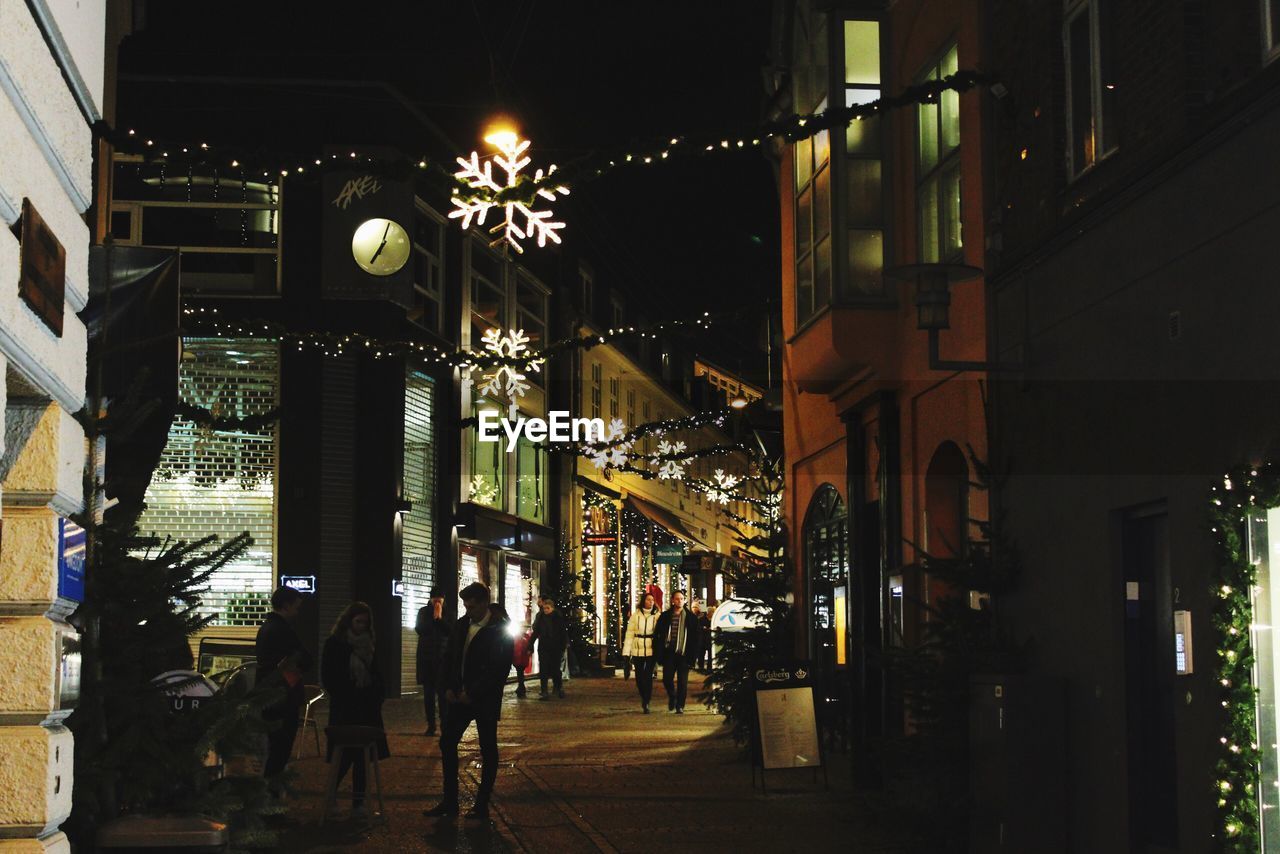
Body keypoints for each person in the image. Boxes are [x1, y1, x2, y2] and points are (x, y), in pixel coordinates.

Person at [424, 582, 514, 822]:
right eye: (465, 606)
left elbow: (498, 669)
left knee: (488, 749)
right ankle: (450, 800)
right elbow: (449, 658)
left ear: (485, 603)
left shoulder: (499, 629)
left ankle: (481, 803)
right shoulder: (463, 624)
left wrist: (473, 692)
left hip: (482, 699)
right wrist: (447, 688)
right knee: (447, 743)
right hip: (459, 696)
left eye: (472, 606)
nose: (468, 610)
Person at [321, 602, 389, 819]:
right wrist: (347, 691)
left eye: (365, 623)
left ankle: (358, 803)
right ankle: (331, 797)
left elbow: (377, 672)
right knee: (346, 755)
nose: (361, 626)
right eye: (358, 621)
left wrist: (377, 694)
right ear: (348, 621)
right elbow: (329, 677)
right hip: (346, 708)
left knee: (362, 757)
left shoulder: (369, 644)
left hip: (366, 708)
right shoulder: (335, 644)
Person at [255, 585, 312, 788]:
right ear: (286, 606)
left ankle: (270, 802)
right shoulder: (283, 630)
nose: (297, 613)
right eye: (296, 608)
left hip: (270, 697)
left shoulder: (266, 628)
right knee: (280, 751)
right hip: (283, 698)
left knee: (273, 749)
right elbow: (306, 659)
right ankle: (272, 804)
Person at [653, 590, 701, 714]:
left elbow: (696, 639)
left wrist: (693, 656)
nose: (679, 601)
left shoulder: (691, 618)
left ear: (684, 600)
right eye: (677, 599)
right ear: (673, 600)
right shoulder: (665, 616)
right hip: (669, 653)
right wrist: (658, 651)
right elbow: (658, 634)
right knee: (666, 679)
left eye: (681, 598)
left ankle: (680, 705)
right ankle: (672, 696)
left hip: (684, 653)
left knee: (682, 682)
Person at [415, 589, 449, 735]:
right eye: (435, 598)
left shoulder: (449, 612)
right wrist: (433, 618)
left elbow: (450, 631)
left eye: (439, 598)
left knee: (443, 694)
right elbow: (420, 629)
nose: (437, 601)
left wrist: (440, 619)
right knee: (428, 694)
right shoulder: (423, 612)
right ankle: (431, 724)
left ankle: (444, 723)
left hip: (443, 659)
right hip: (426, 659)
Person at [622, 592, 660, 713]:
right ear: (644, 601)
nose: (651, 602)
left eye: (652, 600)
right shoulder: (635, 616)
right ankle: (643, 696)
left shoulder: (657, 616)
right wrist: (626, 653)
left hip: (651, 648)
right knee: (639, 676)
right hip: (637, 648)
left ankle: (646, 701)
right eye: (648, 600)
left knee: (648, 675)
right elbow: (629, 634)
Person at [528, 595, 568, 699]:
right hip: (544, 647)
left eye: (548, 608)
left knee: (555, 669)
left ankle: (558, 687)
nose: (545, 610)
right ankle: (544, 690)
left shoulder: (557, 618)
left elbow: (562, 632)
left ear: (552, 608)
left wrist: (564, 645)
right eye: (544, 608)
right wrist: (530, 644)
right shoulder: (541, 618)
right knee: (544, 669)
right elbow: (536, 632)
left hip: (555, 647)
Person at [691, 600, 713, 672]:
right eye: (693, 607)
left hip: (710, 639)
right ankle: (700, 667)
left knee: (710, 654)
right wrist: (705, 628)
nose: (712, 613)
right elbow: (699, 628)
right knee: (701, 654)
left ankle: (709, 668)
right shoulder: (701, 619)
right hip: (702, 639)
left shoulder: (712, 620)